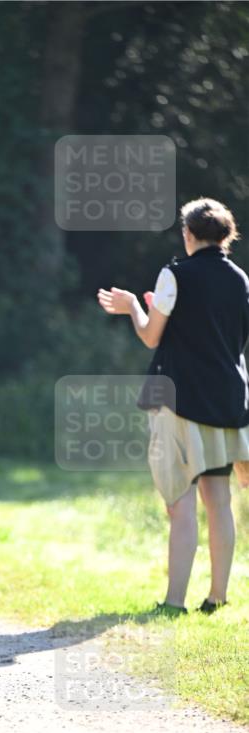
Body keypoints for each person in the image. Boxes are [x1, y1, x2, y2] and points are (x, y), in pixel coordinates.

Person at [98, 197, 249, 614]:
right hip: (227, 401)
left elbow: (151, 337)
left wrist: (132, 307)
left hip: (178, 400)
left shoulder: (175, 274)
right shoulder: (240, 279)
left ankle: (174, 602)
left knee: (179, 502)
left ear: (188, 234)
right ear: (226, 236)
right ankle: (217, 597)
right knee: (219, 501)